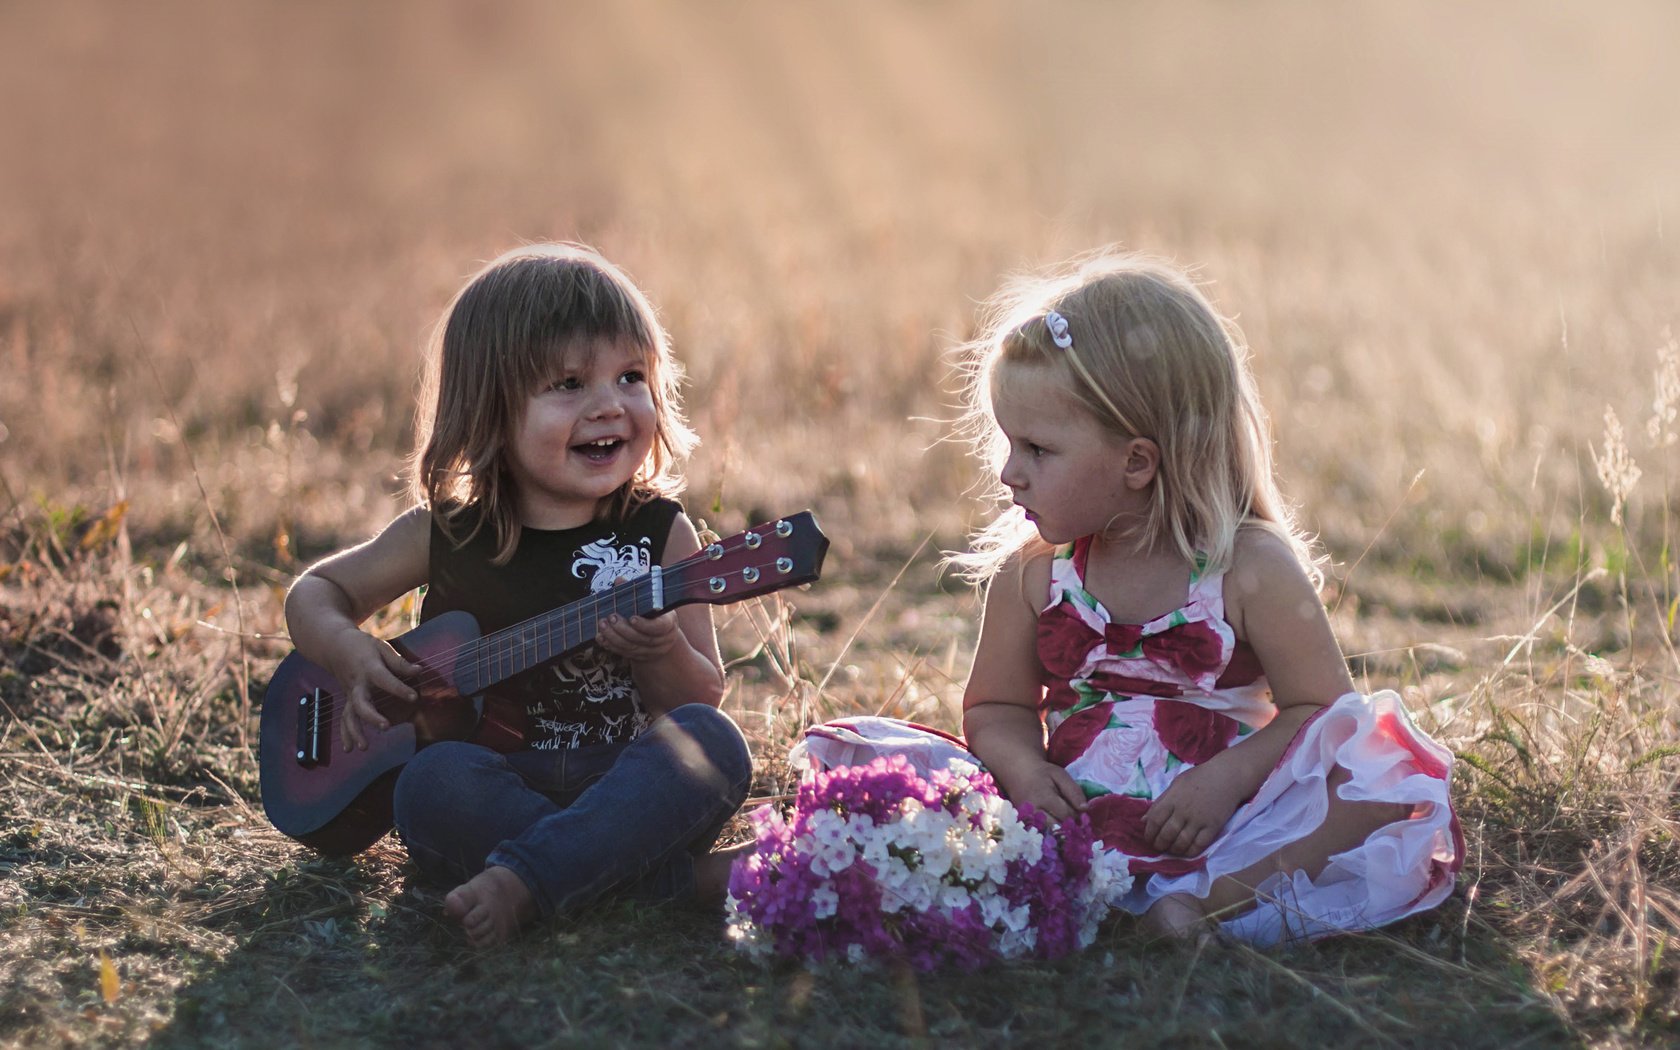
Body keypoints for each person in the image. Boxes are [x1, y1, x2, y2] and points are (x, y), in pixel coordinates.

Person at [802, 250, 1460, 945]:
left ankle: (1201, 906)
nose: (1008, 474)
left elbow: (1324, 710)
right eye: (1007, 444)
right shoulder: (1033, 575)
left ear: (1137, 462)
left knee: (1379, 776)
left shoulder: (1249, 568)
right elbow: (995, 707)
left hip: (1230, 821)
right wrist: (1024, 771)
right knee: (887, 780)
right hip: (1070, 818)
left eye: (1036, 449)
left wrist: (1228, 780)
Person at [283, 243, 751, 948]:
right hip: (490, 781)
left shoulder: (660, 535)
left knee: (714, 745)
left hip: (620, 782)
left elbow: (695, 702)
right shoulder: (444, 532)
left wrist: (658, 652)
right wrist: (350, 654)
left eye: (631, 376)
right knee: (429, 783)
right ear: (490, 410)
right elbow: (314, 592)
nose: (609, 407)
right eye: (568, 384)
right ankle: (668, 883)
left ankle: (527, 880)